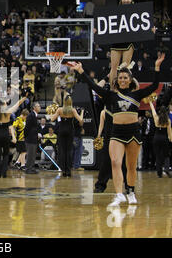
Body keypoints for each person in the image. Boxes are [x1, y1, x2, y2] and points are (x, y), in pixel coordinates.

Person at [70, 52, 165, 206]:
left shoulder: (137, 94)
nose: (122, 80)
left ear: (130, 80)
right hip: (117, 133)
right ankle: (119, 194)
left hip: (133, 132)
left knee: (131, 166)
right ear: (117, 80)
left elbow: (154, 86)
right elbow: (93, 86)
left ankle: (131, 192)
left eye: (125, 78)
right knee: (115, 162)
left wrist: (157, 67)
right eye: (120, 77)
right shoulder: (110, 96)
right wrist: (81, 71)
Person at [106, 0, 156, 88]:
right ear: (121, 0)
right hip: (116, 41)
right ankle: (113, 90)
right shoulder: (114, 11)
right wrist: (97, 29)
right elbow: (107, 23)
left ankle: (125, 90)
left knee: (125, 68)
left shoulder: (137, 11)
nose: (125, 0)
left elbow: (142, 25)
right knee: (114, 67)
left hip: (129, 42)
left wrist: (150, 30)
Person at [0, 97, 27, 178]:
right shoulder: (8, 112)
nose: (7, 104)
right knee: (6, 154)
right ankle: (4, 173)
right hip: (5, 134)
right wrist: (23, 98)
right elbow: (17, 104)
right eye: (6, 103)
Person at [50, 95, 84, 177]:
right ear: (70, 102)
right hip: (70, 131)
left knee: (62, 151)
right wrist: (82, 112)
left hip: (61, 131)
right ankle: (68, 171)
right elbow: (80, 120)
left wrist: (52, 112)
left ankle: (63, 171)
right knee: (69, 151)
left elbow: (52, 119)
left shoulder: (60, 110)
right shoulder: (73, 110)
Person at [149, 101, 172, 178]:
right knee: (166, 155)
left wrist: (150, 103)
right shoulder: (168, 120)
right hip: (164, 138)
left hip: (156, 138)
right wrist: (171, 141)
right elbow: (169, 133)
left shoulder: (157, 118)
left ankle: (159, 173)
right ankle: (166, 169)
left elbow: (153, 110)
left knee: (158, 156)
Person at [24, 102, 41, 174]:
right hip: (30, 139)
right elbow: (27, 128)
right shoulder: (31, 115)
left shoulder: (35, 115)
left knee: (33, 154)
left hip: (34, 138)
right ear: (34, 107)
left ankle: (32, 167)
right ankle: (28, 169)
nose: (40, 107)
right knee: (30, 154)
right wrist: (27, 137)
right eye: (38, 106)